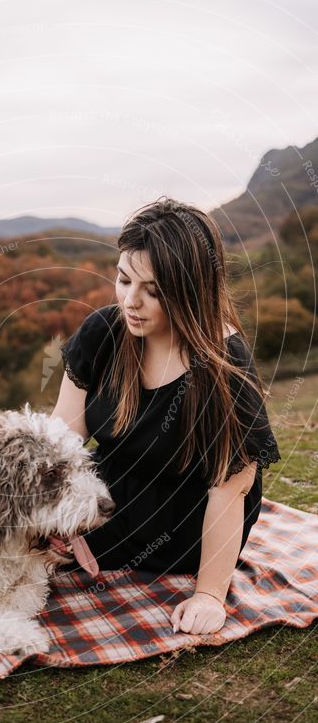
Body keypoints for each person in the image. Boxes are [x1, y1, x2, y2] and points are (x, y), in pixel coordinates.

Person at [51, 197, 281, 636]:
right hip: (112, 493)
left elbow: (230, 488)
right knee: (30, 548)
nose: (131, 301)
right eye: (123, 280)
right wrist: (53, 518)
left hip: (186, 521)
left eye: (153, 290)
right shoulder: (103, 332)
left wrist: (211, 594)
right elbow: (62, 441)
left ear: (190, 290)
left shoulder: (222, 362)